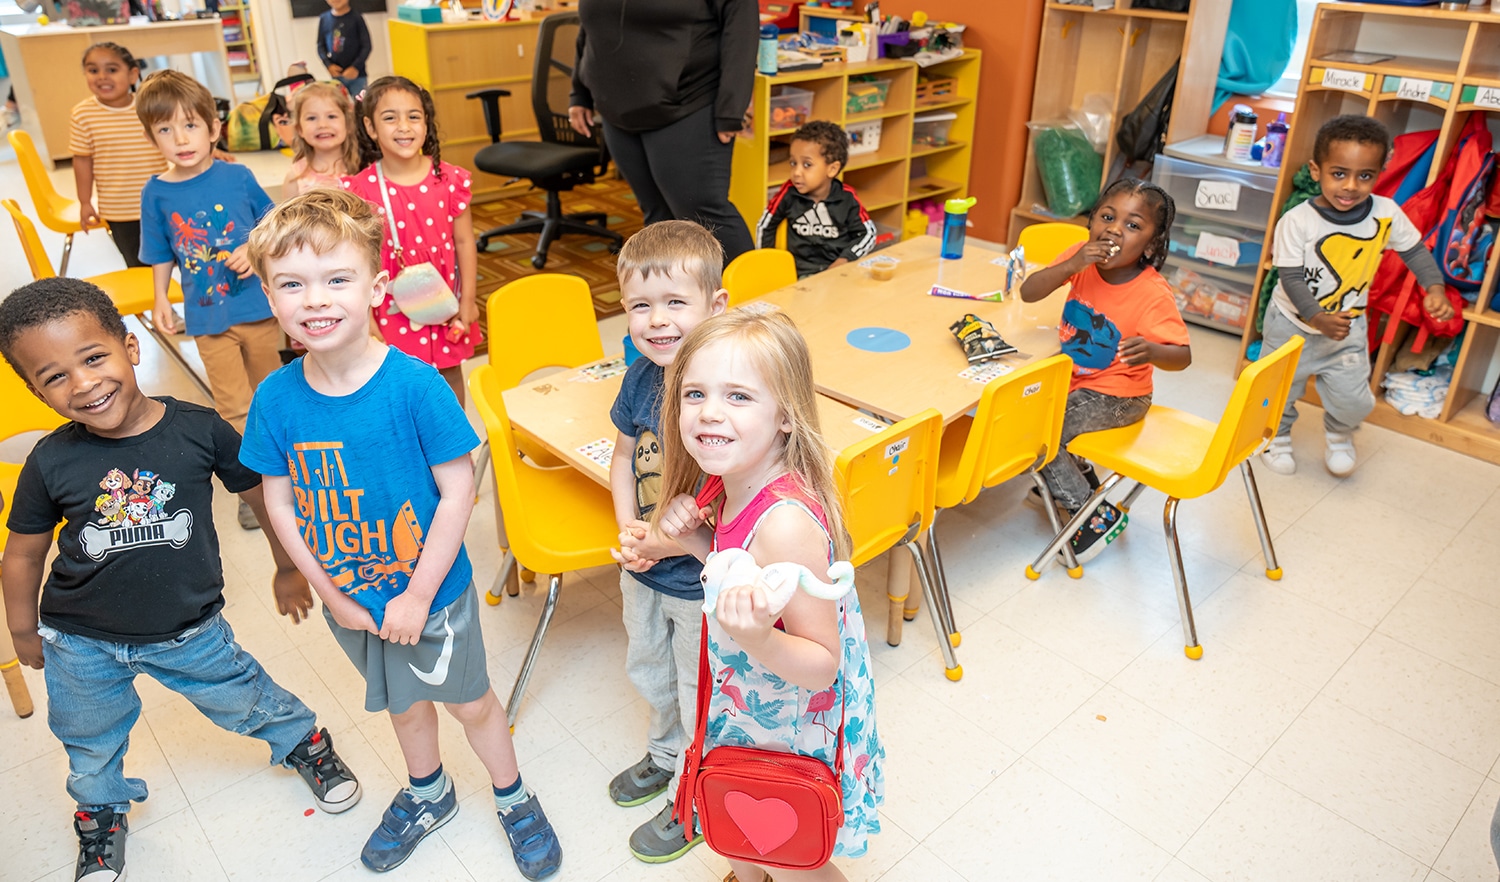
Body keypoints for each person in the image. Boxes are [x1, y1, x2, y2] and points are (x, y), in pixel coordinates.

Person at [240, 188, 563, 879]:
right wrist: (331, 594)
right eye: (292, 284)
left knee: (471, 703)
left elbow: (458, 491)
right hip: (352, 601)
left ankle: (514, 797)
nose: (315, 300)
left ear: (377, 287)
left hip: (430, 596)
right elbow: (280, 501)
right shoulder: (275, 398)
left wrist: (416, 597)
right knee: (404, 702)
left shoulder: (414, 385)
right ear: (270, 296)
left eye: (336, 279)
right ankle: (429, 793)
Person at [0, 278, 361, 882]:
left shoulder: (201, 428)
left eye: (94, 358)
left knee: (246, 698)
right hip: (80, 640)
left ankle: (304, 743)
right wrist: (20, 627)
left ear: (131, 346)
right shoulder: (51, 460)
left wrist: (286, 566)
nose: (84, 383)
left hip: (189, 630)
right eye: (55, 377)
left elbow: (261, 494)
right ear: (36, 391)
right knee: (87, 743)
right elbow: (23, 554)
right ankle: (101, 813)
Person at [648, 307, 885, 882]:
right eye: (695, 393)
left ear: (786, 415)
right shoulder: (729, 484)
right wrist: (700, 540)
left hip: (791, 717)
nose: (708, 413)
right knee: (743, 825)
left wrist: (754, 637)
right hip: (748, 701)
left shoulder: (785, 526)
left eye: (738, 397)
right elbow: (740, 574)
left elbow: (822, 665)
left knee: (797, 852)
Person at [606, 221, 728, 862]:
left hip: (699, 579)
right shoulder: (640, 379)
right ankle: (664, 754)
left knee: (697, 688)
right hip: (644, 567)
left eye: (675, 302)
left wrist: (659, 543)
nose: (656, 320)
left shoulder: (722, 398)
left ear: (716, 306)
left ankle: (698, 792)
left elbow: (730, 513)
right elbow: (624, 455)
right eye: (639, 305)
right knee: (648, 669)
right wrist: (630, 530)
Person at [1259, 114, 1454, 477]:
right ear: (1316, 171)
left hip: (1348, 327)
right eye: (1339, 173)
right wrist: (1316, 317)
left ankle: (1340, 435)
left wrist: (1435, 287)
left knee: (1353, 398)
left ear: (1381, 171)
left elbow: (1414, 250)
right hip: (1292, 325)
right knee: (1279, 390)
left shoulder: (1385, 213)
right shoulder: (1297, 220)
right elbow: (1290, 277)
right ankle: (1275, 436)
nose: (1350, 186)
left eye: (1365, 175)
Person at [135, 69, 280, 531]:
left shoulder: (238, 177)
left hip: (258, 310)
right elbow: (159, 253)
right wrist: (161, 297)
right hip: (205, 317)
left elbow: (272, 226)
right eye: (165, 129)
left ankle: (290, 470)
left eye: (191, 125)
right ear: (151, 137)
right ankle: (252, 484)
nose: (180, 138)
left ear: (214, 129)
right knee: (232, 404)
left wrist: (252, 251)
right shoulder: (156, 193)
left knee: (272, 393)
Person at [1019, 179, 1192, 563]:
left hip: (1120, 396)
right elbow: (1029, 292)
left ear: (1150, 245)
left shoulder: (1152, 293)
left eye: (1133, 225)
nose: (1114, 229)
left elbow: (1183, 356)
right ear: (1092, 222)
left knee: (1040, 433)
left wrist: (1153, 350)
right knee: (1026, 413)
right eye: (1107, 217)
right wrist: (1073, 263)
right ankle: (1072, 474)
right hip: (1076, 381)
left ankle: (1090, 515)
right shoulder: (1080, 259)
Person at [568, 0, 756, 263]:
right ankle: (677, 300)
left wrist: (731, 109)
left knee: (705, 218)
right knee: (657, 218)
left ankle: (755, 299)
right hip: (617, 112)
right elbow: (592, 25)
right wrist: (580, 93)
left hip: (689, 104)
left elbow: (742, 30)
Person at [343, 76, 479, 406]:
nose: (404, 126)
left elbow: (464, 242)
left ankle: (453, 447)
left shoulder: (449, 180)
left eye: (414, 116)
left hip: (443, 301)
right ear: (371, 127)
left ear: (426, 123)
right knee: (397, 378)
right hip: (390, 307)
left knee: (448, 375)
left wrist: (469, 300)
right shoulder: (361, 189)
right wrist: (369, 317)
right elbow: (357, 259)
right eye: (390, 117)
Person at [69, 42, 166, 271]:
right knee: (139, 268)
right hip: (120, 210)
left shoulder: (149, 106)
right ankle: (155, 307)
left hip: (162, 202)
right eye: (93, 70)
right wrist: (84, 202)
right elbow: (82, 160)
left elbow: (178, 137)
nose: (102, 77)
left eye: (112, 70)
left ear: (133, 74)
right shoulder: (82, 114)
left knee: (180, 260)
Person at [756, 120, 878, 277]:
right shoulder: (789, 192)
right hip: (799, 273)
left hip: (839, 272)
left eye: (807, 165)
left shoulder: (847, 197)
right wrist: (767, 262)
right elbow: (765, 226)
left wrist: (844, 260)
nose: (796, 172)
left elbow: (868, 234)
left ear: (832, 169)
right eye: (793, 163)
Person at [282, 81, 361, 197]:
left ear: (348, 124)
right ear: (300, 129)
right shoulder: (294, 179)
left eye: (331, 116)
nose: (322, 125)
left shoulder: (364, 169)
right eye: (311, 118)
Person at [316, 0, 372, 101]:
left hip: (357, 75)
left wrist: (355, 67)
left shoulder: (356, 17)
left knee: (361, 106)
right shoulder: (324, 19)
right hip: (337, 75)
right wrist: (329, 65)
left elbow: (366, 45)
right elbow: (320, 46)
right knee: (340, 106)